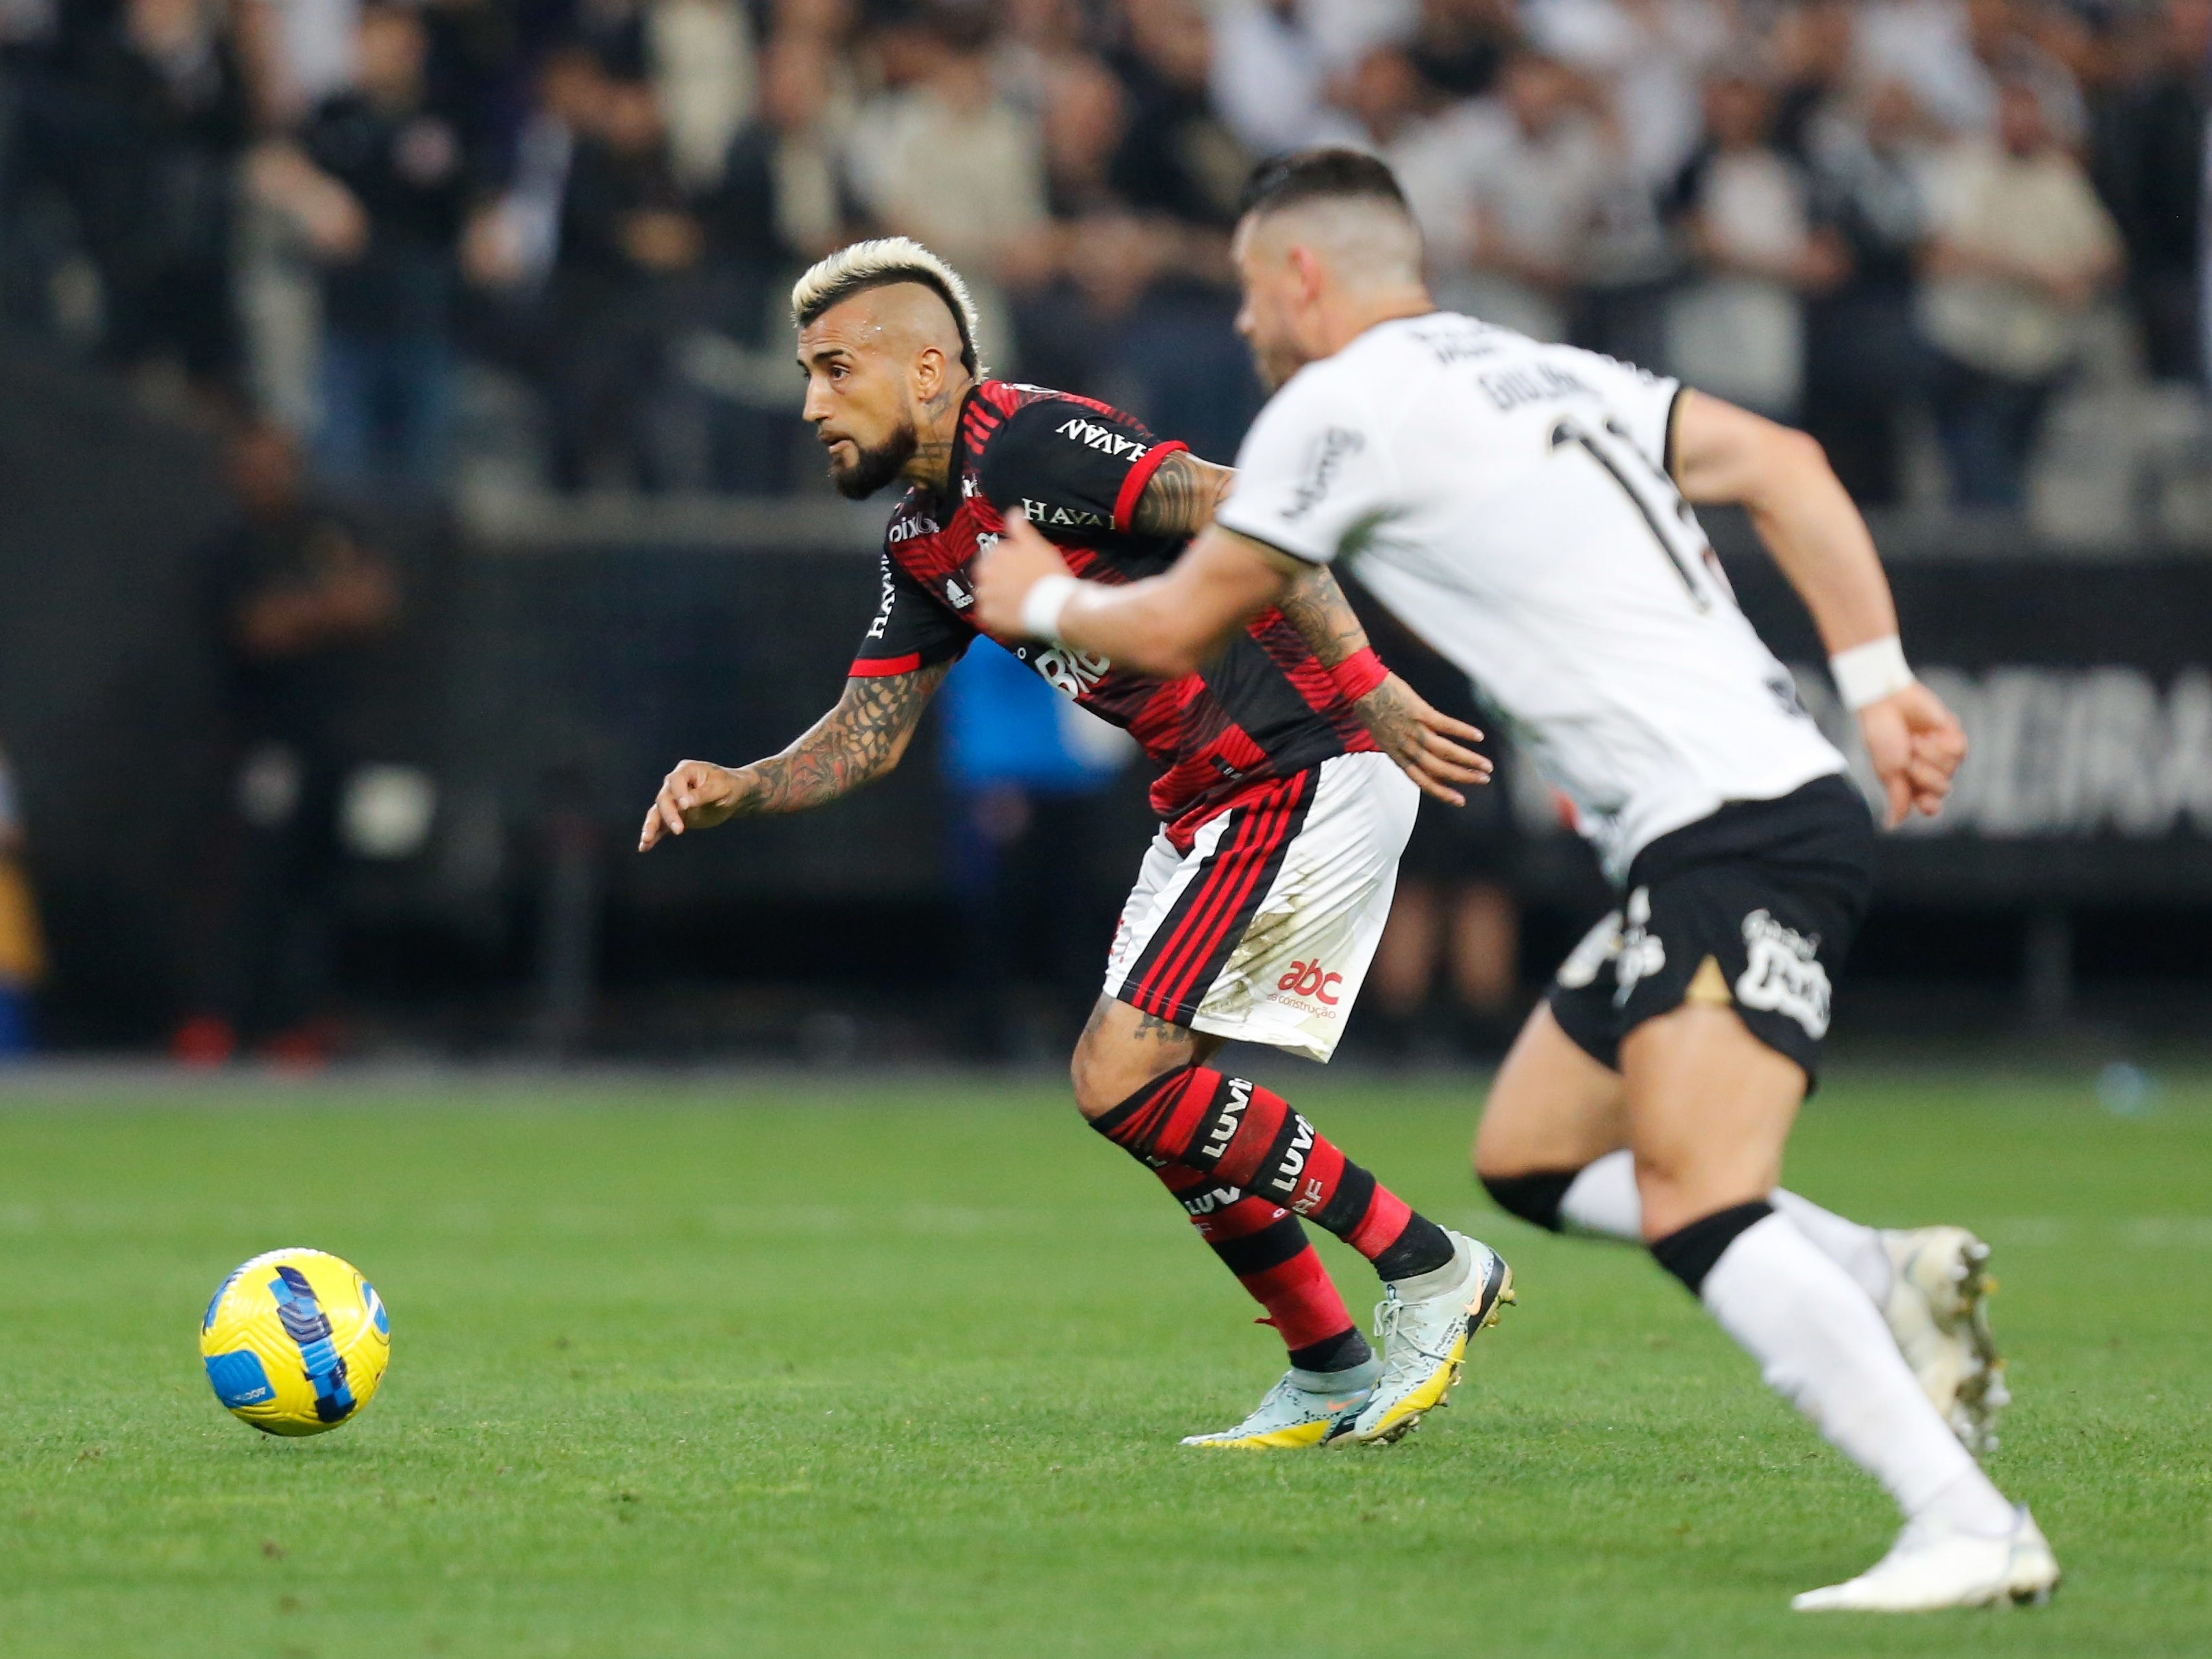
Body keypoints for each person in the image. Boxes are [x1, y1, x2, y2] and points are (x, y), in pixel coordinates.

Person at [971, 149, 2056, 1612]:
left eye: (1246, 290)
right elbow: (1786, 468)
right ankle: (1878, 1263)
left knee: (1698, 1198)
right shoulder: (1542, 368)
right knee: (1534, 1154)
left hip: (1737, 828)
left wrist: (1035, 596)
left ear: (1302, 277)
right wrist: (1878, 684)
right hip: (1729, 813)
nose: (1241, 325)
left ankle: (1963, 1515)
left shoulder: (1333, 409)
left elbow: (1177, 619)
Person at [639, 236, 1514, 1451]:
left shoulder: (1029, 444)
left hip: (1301, 763)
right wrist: (744, 783)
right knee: (1142, 1101)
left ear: (932, 371)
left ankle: (1430, 1266)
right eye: (807, 374)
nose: (811, 404)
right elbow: (869, 730)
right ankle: (1326, 1366)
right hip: (1207, 802)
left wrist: (1366, 684)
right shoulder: (923, 541)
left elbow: (1258, 510)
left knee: (1121, 1074)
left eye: (838, 370)